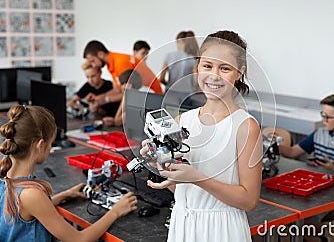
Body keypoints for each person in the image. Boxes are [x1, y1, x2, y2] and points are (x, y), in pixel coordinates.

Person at [140, 30, 263, 241]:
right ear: (196, 68)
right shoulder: (182, 121)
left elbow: (249, 200)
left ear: (239, 72)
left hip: (222, 230)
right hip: (183, 224)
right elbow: (181, 189)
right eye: (207, 66)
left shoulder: (245, 127)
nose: (214, 75)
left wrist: (198, 178)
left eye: (225, 68)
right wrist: (161, 165)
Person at [0, 105, 137, 241]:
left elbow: (30, 210)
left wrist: (65, 195)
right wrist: (116, 211)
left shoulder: (5, 176)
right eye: (51, 144)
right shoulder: (31, 194)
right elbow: (78, 239)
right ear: (40, 145)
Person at [279, 92, 334, 176]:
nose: (323, 120)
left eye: (327, 117)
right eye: (323, 115)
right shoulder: (319, 134)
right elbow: (292, 152)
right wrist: (272, 145)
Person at [83, 40, 163, 106]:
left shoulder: (120, 64)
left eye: (92, 61)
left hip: (153, 100)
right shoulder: (111, 64)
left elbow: (128, 93)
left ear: (100, 54)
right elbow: (118, 90)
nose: (93, 65)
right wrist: (99, 97)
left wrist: (106, 99)